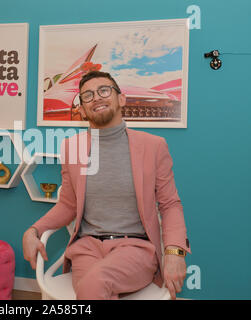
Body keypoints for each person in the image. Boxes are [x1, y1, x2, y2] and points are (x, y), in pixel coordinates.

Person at [23, 71, 190, 300]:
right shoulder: (72, 148)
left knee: (96, 283)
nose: (97, 98)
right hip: (86, 250)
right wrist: (34, 230)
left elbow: (170, 204)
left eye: (104, 90)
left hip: (135, 249)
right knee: (94, 290)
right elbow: (68, 205)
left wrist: (174, 252)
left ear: (121, 99)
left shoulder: (153, 146)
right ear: (81, 109)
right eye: (88, 95)